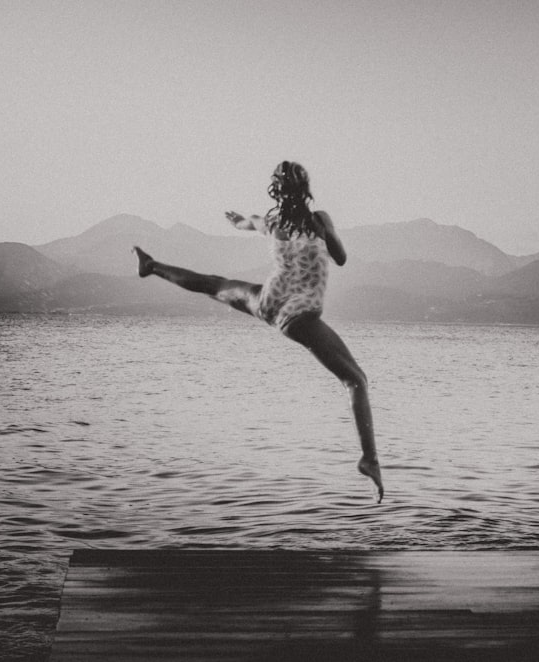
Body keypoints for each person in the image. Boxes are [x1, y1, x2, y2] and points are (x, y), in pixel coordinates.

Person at [133, 161, 384, 502]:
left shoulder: (272, 222)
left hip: (268, 300)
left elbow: (247, 222)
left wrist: (238, 222)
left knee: (215, 284)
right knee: (356, 380)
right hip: (300, 314)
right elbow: (340, 258)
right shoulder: (319, 220)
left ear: (276, 192)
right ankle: (369, 459)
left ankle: (152, 266)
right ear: (306, 189)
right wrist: (326, 233)